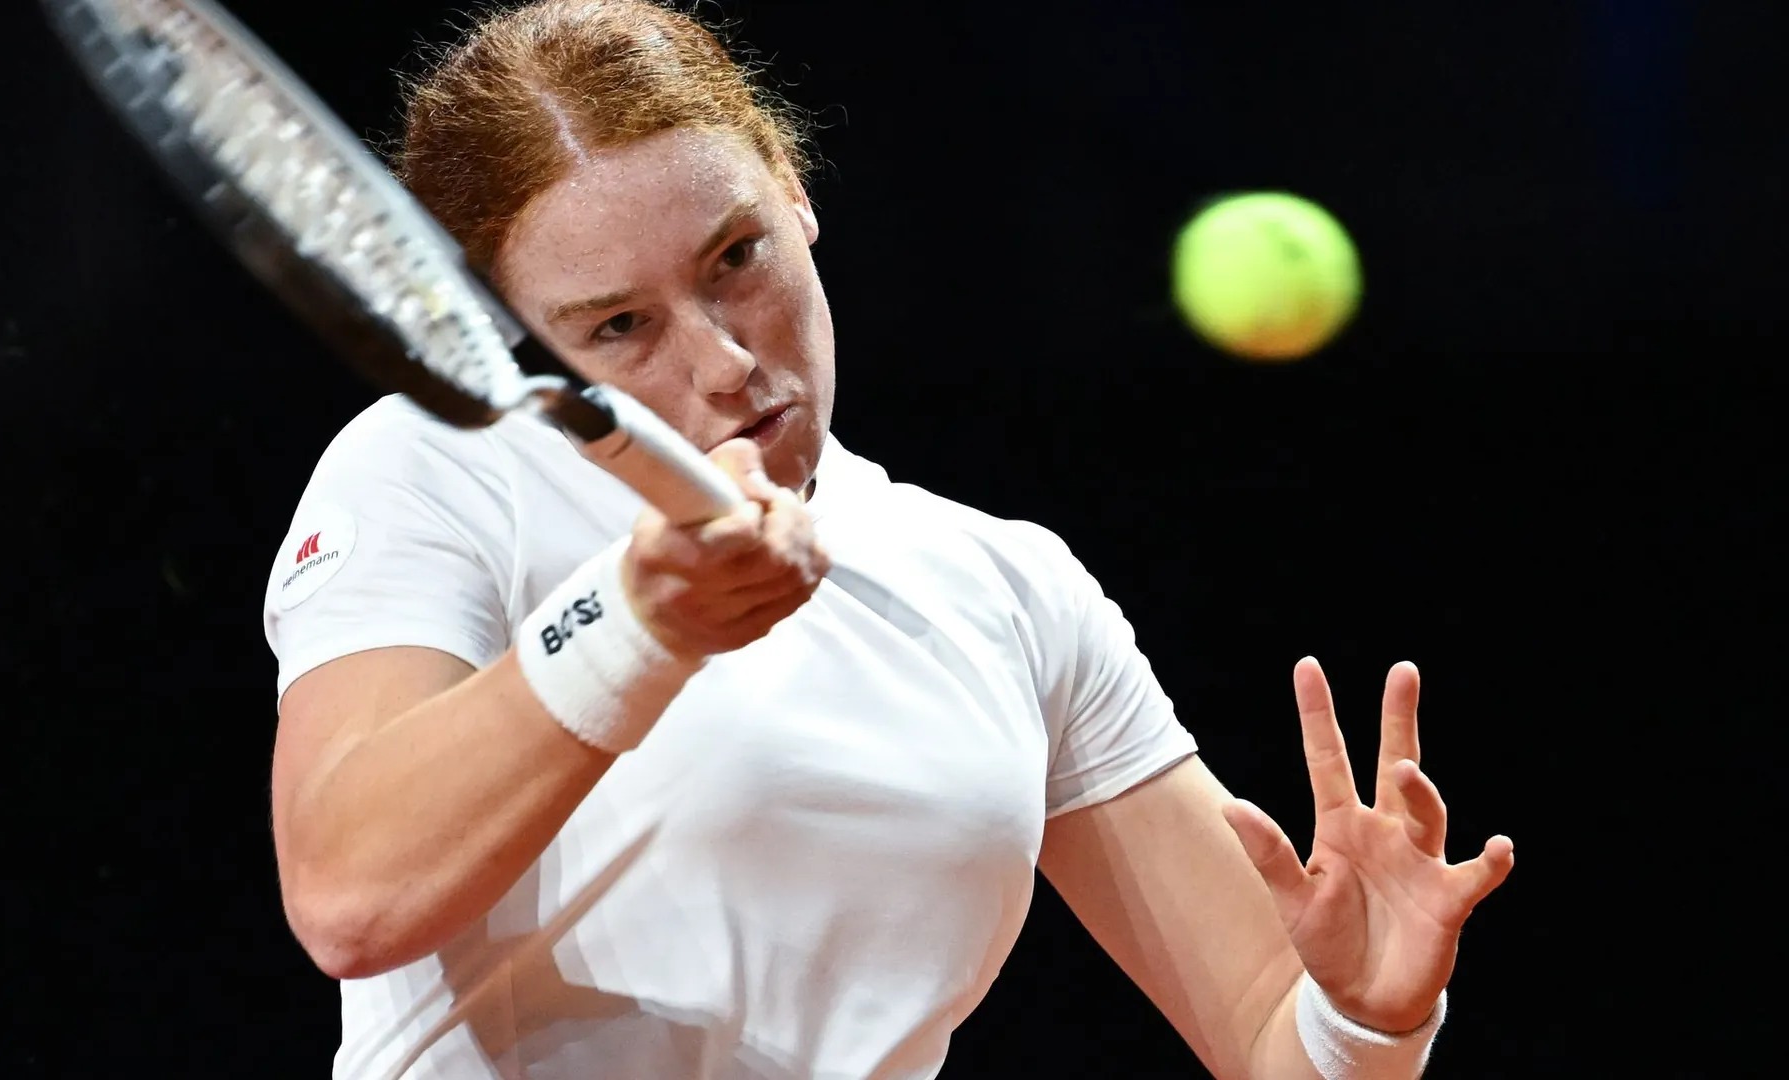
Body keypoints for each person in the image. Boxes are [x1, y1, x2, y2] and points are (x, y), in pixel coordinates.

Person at [261, 2, 1515, 1077]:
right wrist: (638, 627)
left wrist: (1367, 1016)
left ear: (795, 192)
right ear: (524, 341)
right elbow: (350, 898)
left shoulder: (1008, 588)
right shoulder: (434, 472)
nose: (725, 360)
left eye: (736, 256)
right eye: (619, 327)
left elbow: (1267, 1039)